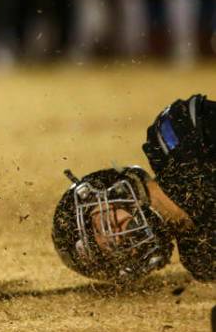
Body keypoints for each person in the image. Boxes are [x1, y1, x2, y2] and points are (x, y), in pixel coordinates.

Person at [51, 94, 215, 283]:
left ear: (110, 191)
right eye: (106, 250)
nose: (111, 240)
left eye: (98, 229)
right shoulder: (203, 257)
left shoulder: (171, 141)